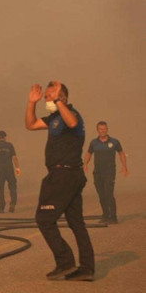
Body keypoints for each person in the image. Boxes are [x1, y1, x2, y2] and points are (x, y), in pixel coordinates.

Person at [26, 81, 94, 281]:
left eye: (50, 96)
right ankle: (87, 268)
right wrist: (31, 103)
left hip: (63, 176)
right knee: (76, 222)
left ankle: (65, 262)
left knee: (44, 219)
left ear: (62, 97)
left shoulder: (72, 115)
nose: (47, 99)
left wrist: (58, 100)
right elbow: (30, 125)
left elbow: (72, 123)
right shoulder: (54, 118)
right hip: (66, 175)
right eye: (46, 97)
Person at [84, 121, 129, 224]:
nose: (103, 131)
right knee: (101, 194)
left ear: (107, 129)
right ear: (98, 130)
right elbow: (89, 153)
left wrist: (124, 166)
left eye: (104, 129)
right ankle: (105, 215)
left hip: (109, 172)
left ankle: (113, 217)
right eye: (100, 129)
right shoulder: (94, 142)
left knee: (108, 193)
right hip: (98, 173)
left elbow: (121, 153)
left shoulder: (114, 142)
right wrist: (85, 164)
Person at [0, 131, 21, 213]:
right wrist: (17, 168)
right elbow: (14, 157)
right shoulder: (9, 145)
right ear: (5, 137)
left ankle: (1, 207)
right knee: (12, 186)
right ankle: (13, 203)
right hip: (9, 169)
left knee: (0, 188)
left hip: (0, 170)